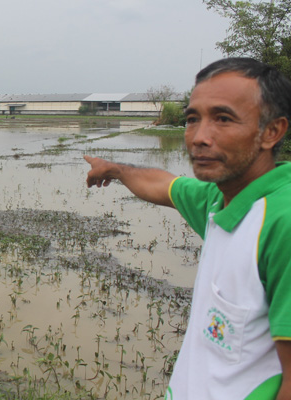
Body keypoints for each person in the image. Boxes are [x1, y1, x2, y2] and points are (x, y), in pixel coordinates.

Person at [84, 57, 291, 399]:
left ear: (272, 132)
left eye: (223, 119)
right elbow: (164, 184)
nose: (199, 137)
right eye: (193, 119)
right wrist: (115, 169)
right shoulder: (219, 198)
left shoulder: (281, 222)